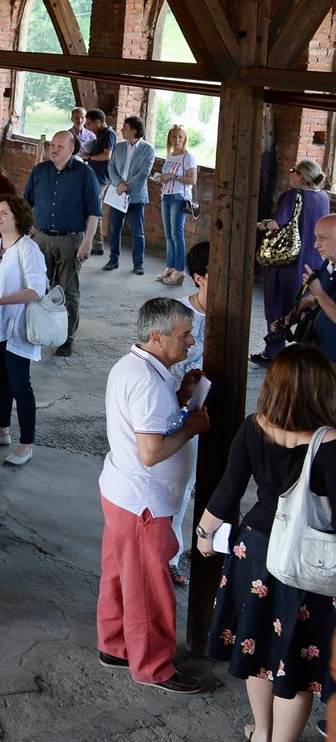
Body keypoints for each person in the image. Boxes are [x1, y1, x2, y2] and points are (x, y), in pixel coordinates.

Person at [196, 346, 336, 742]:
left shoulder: (253, 427)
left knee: (256, 647)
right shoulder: (330, 444)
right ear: (323, 389)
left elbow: (229, 490)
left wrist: (205, 535)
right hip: (306, 564)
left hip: (255, 552)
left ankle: (262, 732)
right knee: (292, 661)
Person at [97, 297, 208, 694]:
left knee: (120, 575)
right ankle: (154, 666)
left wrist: (180, 396)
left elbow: (150, 422)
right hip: (143, 502)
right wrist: (192, 427)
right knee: (149, 589)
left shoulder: (139, 366)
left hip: (123, 493)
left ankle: (116, 646)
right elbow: (150, 452)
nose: (191, 343)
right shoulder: (146, 381)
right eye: (184, 335)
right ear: (156, 336)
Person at [0, 195, 47, 466]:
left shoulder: (27, 249)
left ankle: (26, 443)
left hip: (16, 325)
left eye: (4, 213)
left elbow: (36, 290)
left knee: (20, 385)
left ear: (18, 217)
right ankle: (1, 428)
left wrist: (2, 301)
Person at [23, 130, 102, 356]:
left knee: (68, 289)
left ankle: (67, 338)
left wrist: (88, 241)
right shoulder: (39, 171)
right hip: (40, 238)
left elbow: (94, 213)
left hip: (70, 239)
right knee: (36, 287)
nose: (53, 149)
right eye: (52, 145)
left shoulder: (84, 174)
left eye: (59, 146)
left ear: (72, 150)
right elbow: (25, 204)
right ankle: (37, 330)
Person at [253, 160, 331, 364]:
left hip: (286, 260)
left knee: (276, 303)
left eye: (293, 170)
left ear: (301, 175)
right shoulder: (323, 196)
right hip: (312, 257)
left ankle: (274, 351)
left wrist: (261, 225)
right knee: (302, 304)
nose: (290, 173)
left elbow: (279, 223)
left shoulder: (292, 195)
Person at [168, 240, 210, 586]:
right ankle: (170, 555)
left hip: (214, 408)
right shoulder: (178, 315)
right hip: (181, 410)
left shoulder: (230, 312)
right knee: (180, 486)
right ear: (200, 277)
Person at [103, 115, 155, 276]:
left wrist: (127, 185)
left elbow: (144, 173)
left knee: (138, 232)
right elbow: (111, 166)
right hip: (118, 194)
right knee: (115, 230)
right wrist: (119, 184)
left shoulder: (148, 149)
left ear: (134, 130)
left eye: (124, 128)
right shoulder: (119, 147)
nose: (121, 130)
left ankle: (138, 264)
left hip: (136, 196)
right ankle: (113, 260)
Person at [154, 125, 197, 286]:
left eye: (180, 137)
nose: (177, 140)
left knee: (177, 234)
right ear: (169, 139)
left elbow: (192, 180)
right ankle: (170, 267)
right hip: (166, 196)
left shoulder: (188, 157)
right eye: (174, 137)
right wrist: (162, 178)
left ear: (185, 138)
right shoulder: (170, 156)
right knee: (168, 235)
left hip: (179, 197)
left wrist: (172, 176)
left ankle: (179, 270)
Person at [83, 109, 117, 254]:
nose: (88, 128)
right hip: (95, 175)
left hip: (101, 177)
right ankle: (96, 243)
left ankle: (96, 243)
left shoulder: (109, 134)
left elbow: (107, 155)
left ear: (98, 122)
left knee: (94, 208)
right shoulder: (100, 134)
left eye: (90, 124)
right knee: (93, 207)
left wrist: (89, 157)